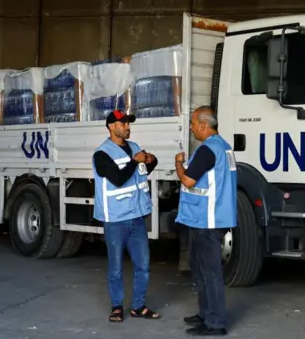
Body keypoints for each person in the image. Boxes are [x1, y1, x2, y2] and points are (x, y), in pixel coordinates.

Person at [92, 109, 161, 323]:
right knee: (116, 267)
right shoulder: (102, 154)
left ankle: (138, 306)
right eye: (123, 124)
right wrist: (135, 160)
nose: (127, 127)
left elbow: (144, 171)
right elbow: (118, 178)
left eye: (129, 123)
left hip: (137, 217)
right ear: (112, 127)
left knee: (143, 264)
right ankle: (117, 307)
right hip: (115, 220)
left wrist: (151, 159)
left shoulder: (135, 148)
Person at [174, 106, 237, 336]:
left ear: (203, 125)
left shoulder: (207, 150)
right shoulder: (224, 147)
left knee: (209, 272)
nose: (191, 128)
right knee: (201, 270)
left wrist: (178, 164)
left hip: (207, 220)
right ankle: (205, 314)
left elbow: (188, 181)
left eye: (192, 124)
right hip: (212, 218)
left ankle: (215, 323)